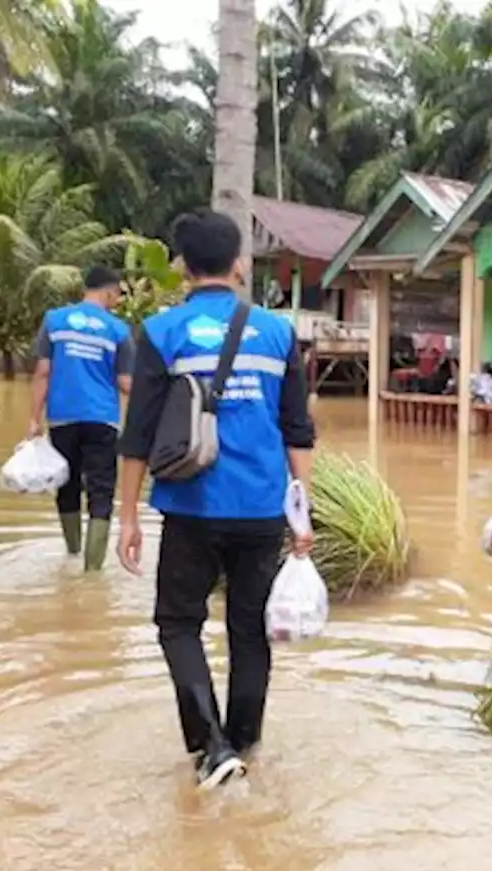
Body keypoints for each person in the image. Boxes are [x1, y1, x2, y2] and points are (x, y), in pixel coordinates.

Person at [116, 210, 316, 790]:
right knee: (249, 629)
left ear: (181, 267)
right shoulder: (278, 333)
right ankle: (246, 741)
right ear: (239, 265)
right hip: (260, 510)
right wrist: (301, 515)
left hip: (190, 507)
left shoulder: (161, 333)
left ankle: (211, 749)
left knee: (178, 623)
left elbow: (138, 436)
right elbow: (297, 429)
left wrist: (129, 516)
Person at [28, 265, 133, 571]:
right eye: (118, 294)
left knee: (67, 483)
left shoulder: (54, 321)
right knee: (101, 490)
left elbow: (42, 373)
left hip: (62, 417)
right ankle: (92, 570)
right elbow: (126, 383)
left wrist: (34, 420)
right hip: (102, 419)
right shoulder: (118, 330)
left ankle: (72, 553)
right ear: (110, 291)